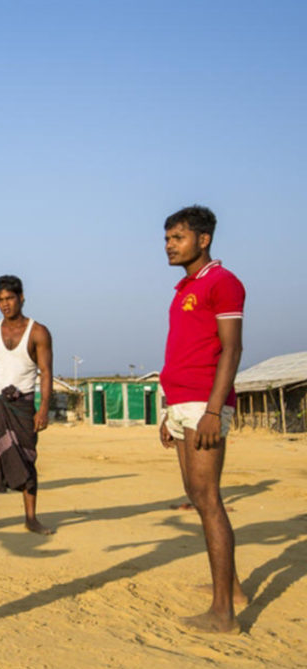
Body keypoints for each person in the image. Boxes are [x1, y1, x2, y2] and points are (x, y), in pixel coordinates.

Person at [158, 205, 246, 633]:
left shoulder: (223, 283)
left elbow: (231, 349)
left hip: (203, 403)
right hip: (182, 404)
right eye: (168, 239)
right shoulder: (183, 288)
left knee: (208, 498)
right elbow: (184, 349)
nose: (169, 245)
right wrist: (167, 411)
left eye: (177, 237)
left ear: (203, 238)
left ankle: (224, 613)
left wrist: (213, 410)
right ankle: (235, 588)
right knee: (195, 494)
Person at [0, 275, 54, 536]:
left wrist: (43, 408)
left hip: (22, 405)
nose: (5, 304)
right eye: (0, 300)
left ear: (21, 297)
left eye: (9, 298)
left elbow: (46, 372)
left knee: (27, 459)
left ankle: (31, 518)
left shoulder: (38, 332)